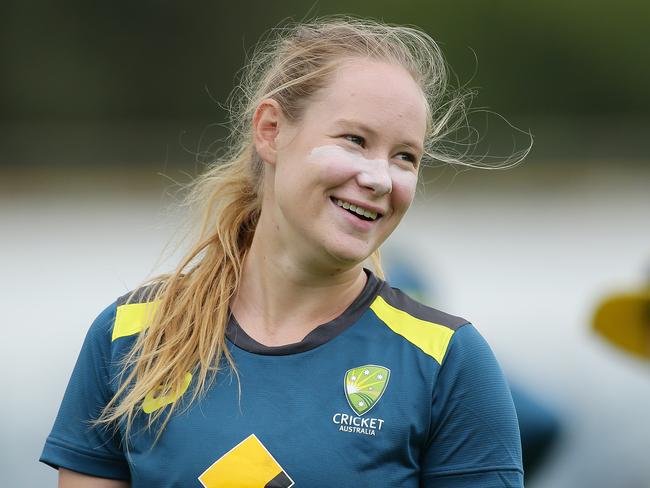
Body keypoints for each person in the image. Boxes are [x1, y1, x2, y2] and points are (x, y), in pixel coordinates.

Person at [41, 17, 525, 487]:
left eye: (405, 157)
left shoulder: (446, 362)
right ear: (271, 130)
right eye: (355, 140)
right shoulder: (131, 335)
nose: (380, 178)